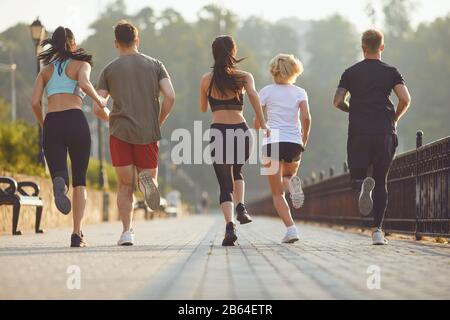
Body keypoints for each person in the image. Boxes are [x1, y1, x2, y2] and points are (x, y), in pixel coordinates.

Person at [93, 21, 175, 246]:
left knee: (123, 185)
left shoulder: (109, 70)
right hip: (147, 131)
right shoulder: (155, 64)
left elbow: (97, 107)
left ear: (116, 43)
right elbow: (170, 96)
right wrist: (158, 120)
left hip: (120, 132)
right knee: (147, 179)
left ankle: (127, 232)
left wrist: (112, 117)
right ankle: (147, 182)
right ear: (137, 40)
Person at [31, 26, 107, 247]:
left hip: (53, 122)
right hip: (75, 120)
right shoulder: (81, 65)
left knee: (60, 173)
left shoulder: (45, 71)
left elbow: (35, 103)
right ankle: (76, 234)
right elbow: (84, 83)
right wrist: (100, 101)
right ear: (73, 44)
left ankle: (60, 183)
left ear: (53, 45)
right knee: (80, 181)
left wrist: (45, 124)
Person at [333, 29, 411, 245]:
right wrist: (394, 119)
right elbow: (405, 99)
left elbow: (337, 101)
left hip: (358, 131)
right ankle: (378, 231)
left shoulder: (350, 72)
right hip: (384, 131)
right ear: (382, 47)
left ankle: (360, 184)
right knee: (381, 181)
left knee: (358, 174)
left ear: (362, 47)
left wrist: (354, 109)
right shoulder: (391, 71)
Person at [200, 35, 269, 246]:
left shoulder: (206, 80)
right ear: (233, 52)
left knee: (224, 185)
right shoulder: (244, 77)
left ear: (214, 53)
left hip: (218, 130)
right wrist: (263, 123)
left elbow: (203, 108)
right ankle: (241, 206)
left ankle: (229, 226)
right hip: (241, 130)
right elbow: (255, 97)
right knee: (237, 170)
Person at [256, 54, 311, 244]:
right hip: (294, 142)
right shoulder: (300, 92)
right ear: (294, 70)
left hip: (272, 142)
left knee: (277, 193)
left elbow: (257, 122)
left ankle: (291, 229)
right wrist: (303, 138)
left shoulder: (265, 92)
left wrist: (260, 125)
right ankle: (292, 186)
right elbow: (306, 118)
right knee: (287, 178)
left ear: (273, 71)